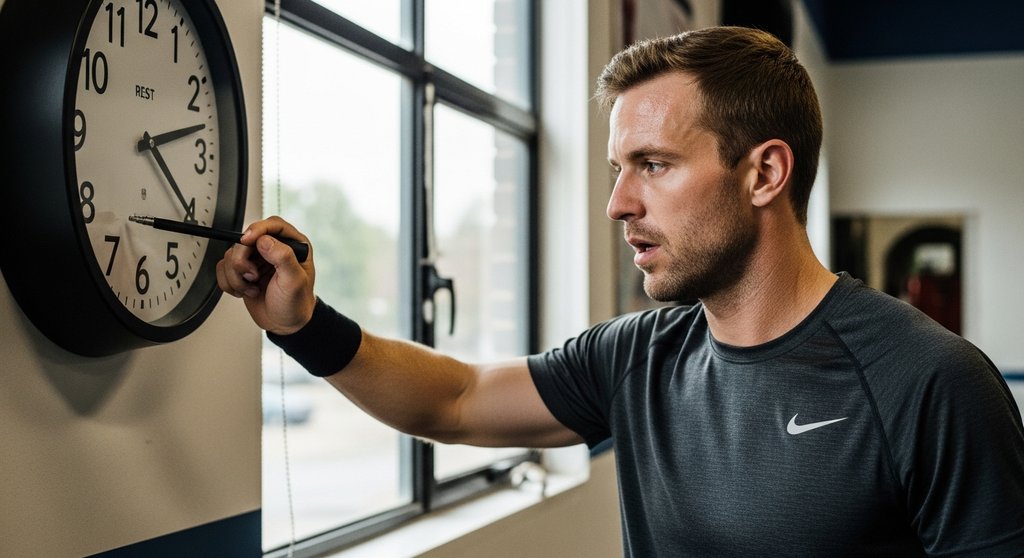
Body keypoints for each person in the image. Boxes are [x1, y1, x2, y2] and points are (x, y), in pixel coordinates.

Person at [217, 26, 1024, 557]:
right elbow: (454, 401)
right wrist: (302, 325)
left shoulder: (930, 383)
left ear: (764, 173)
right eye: (617, 169)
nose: (618, 203)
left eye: (654, 165)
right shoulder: (640, 356)